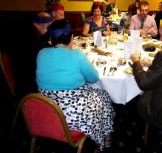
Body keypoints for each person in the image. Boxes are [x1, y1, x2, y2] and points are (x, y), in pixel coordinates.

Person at [36, 20, 114, 150]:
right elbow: (94, 78)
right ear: (71, 38)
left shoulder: (41, 53)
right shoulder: (76, 55)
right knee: (104, 97)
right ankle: (106, 138)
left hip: (46, 108)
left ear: (51, 39)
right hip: (72, 113)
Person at [11, 12, 53, 99]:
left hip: (20, 70)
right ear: (44, 25)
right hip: (28, 80)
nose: (49, 29)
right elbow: (42, 59)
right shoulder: (34, 38)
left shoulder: (30, 30)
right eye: (49, 26)